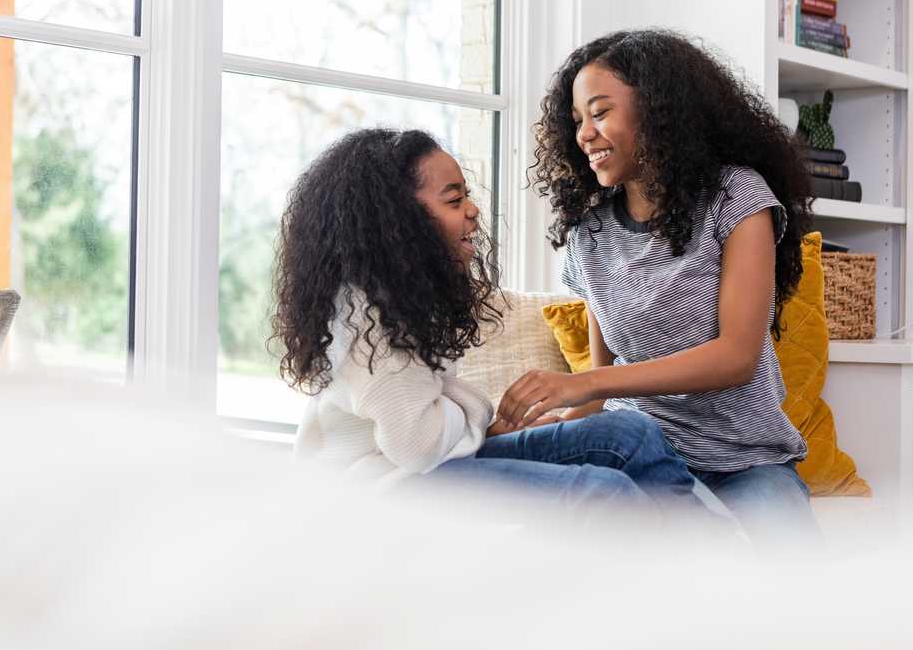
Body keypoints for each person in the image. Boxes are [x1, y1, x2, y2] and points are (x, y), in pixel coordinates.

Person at [272, 127, 718, 527]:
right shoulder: (366, 320)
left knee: (630, 433)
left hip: (417, 468)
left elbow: (429, 414)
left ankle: (712, 556)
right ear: (398, 222)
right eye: (454, 199)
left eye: (465, 196)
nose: (472, 211)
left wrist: (471, 423)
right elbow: (418, 445)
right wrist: (477, 416)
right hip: (376, 490)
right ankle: (702, 582)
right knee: (601, 492)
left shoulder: (405, 297)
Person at [495, 29, 822, 547]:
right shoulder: (589, 229)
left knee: (795, 579)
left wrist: (585, 386)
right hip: (635, 452)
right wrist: (543, 423)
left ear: (658, 110)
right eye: (578, 120)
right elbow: (600, 383)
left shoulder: (735, 198)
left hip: (742, 460)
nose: (584, 134)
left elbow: (737, 356)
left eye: (599, 113)